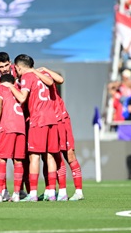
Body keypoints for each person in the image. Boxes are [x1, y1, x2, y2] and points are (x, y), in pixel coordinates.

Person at [2, 54, 58, 202]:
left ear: (19, 67)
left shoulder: (27, 77)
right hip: (51, 118)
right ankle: (51, 192)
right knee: (50, 155)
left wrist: (11, 86)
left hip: (38, 119)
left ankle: (32, 194)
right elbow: (52, 81)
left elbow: (22, 98)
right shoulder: (41, 75)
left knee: (34, 156)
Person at [39, 66, 85, 201]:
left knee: (68, 154)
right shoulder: (28, 79)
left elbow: (60, 79)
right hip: (46, 121)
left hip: (61, 119)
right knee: (48, 157)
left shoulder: (42, 74)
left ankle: (78, 191)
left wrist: (43, 69)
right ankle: (51, 190)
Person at [0, 74, 25, 203]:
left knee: (1, 159)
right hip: (20, 128)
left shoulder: (1, 88)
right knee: (18, 161)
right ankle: (16, 194)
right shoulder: (18, 90)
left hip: (7, 126)